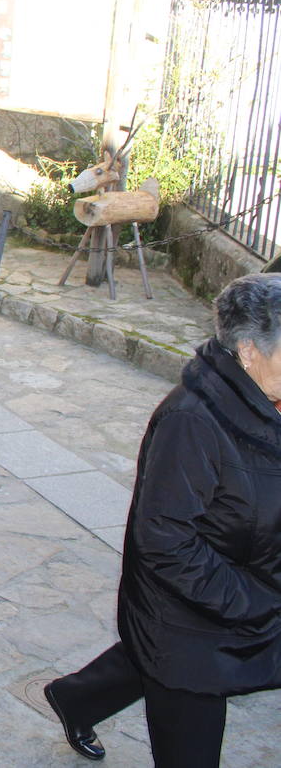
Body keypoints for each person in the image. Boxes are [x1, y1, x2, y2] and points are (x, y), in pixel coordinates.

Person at [41, 272, 281, 767]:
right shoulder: (191, 421)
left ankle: (77, 698)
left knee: (141, 657)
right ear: (250, 351)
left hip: (242, 598)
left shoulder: (267, 399)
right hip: (191, 622)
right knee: (182, 717)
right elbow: (166, 541)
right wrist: (252, 601)